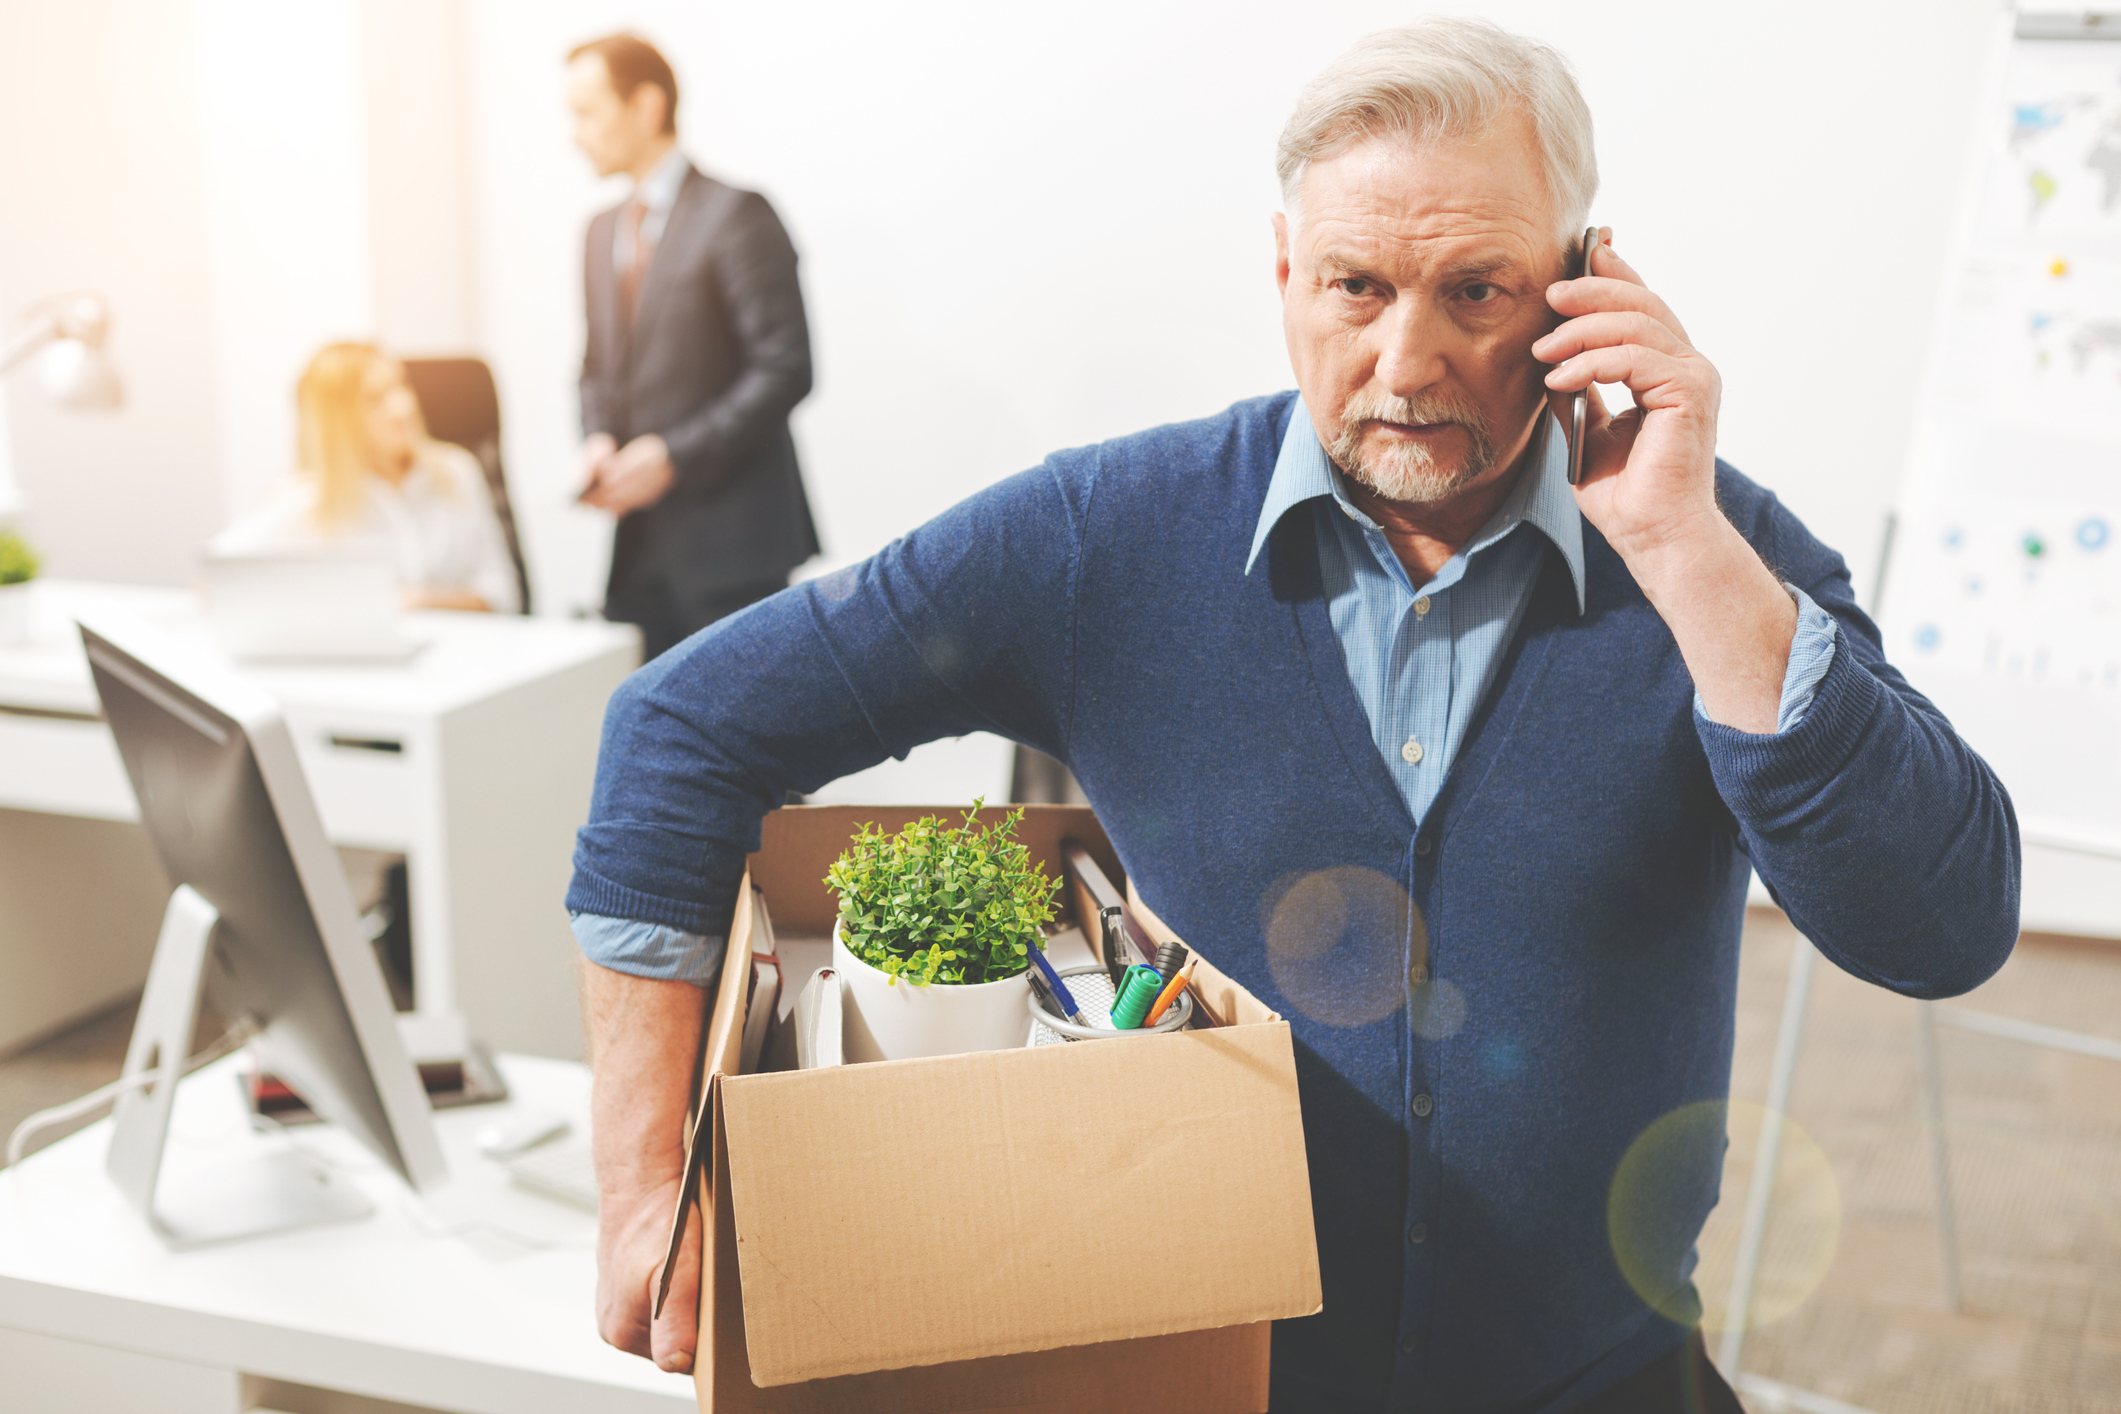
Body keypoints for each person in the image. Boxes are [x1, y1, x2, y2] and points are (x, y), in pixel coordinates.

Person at [564, 19, 2021, 1412]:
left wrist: (1688, 555)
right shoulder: (1104, 538)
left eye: (1476, 290)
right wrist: (644, 1196)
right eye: (1355, 288)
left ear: (1581, 286)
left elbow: (1941, 926)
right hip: (1192, 1374)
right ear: (1283, 273)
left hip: (1602, 1379)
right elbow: (683, 729)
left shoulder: (1713, 551)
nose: (1405, 361)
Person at [565, 32, 819, 661]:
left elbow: (785, 367)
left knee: (746, 748)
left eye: (587, 111)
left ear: (647, 106)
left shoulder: (737, 214)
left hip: (732, 553)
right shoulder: (599, 233)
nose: (575, 133)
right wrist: (598, 438)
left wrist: (672, 454)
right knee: (655, 745)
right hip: (640, 555)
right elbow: (596, 367)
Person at [214, 343, 520, 613]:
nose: (403, 407)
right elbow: (216, 575)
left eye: (401, 386)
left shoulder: (457, 472)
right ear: (338, 421)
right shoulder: (305, 498)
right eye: (376, 399)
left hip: (460, 658)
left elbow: (504, 594)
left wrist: (419, 603)